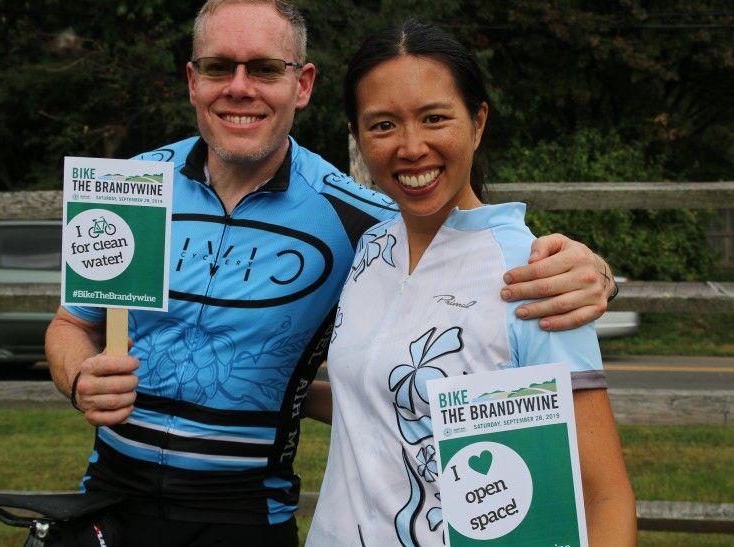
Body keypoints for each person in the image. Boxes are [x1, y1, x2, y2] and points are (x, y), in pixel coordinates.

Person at [45, 2, 619, 545]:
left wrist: (596, 275)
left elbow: (456, 247)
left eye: (266, 69)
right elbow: (71, 324)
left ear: (303, 84)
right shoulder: (132, 184)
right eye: (220, 67)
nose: (239, 87)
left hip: (244, 516)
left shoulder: (360, 222)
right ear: (193, 80)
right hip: (108, 502)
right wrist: (78, 377)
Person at [304, 20, 636, 546]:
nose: (411, 147)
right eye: (383, 125)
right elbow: (377, 396)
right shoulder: (369, 249)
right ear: (356, 137)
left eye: (435, 118)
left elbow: (606, 499)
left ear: (478, 122)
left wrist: (602, 275)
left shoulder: (536, 276)